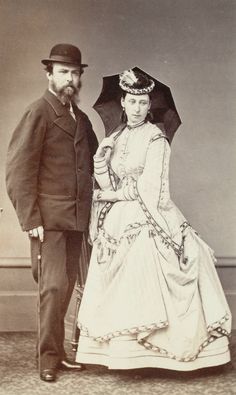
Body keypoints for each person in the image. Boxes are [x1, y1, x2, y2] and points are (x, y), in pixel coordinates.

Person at [75, 68, 231, 371]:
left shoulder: (156, 139)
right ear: (122, 101)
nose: (137, 109)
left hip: (146, 213)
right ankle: (121, 354)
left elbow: (150, 189)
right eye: (132, 102)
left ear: (150, 106)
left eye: (144, 103)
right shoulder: (116, 136)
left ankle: (154, 355)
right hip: (118, 217)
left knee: (147, 261)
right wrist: (101, 160)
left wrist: (112, 196)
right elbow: (108, 185)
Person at [6, 43, 98, 382]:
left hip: (76, 220)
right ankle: (47, 359)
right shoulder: (38, 113)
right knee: (52, 288)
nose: (69, 79)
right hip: (48, 222)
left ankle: (59, 354)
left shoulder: (81, 118)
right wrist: (31, 220)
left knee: (67, 285)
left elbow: (92, 165)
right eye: (63, 72)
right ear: (49, 74)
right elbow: (18, 170)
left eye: (75, 73)